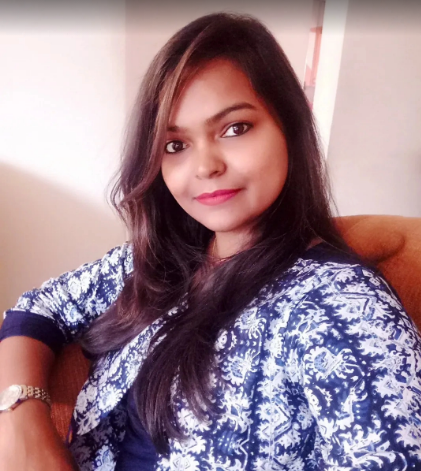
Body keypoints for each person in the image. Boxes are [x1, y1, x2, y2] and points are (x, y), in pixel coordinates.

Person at [0, 11, 421, 471]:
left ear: (290, 124)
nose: (205, 167)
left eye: (234, 128)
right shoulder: (161, 261)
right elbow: (39, 307)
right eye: (175, 145)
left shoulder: (343, 308)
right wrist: (24, 423)